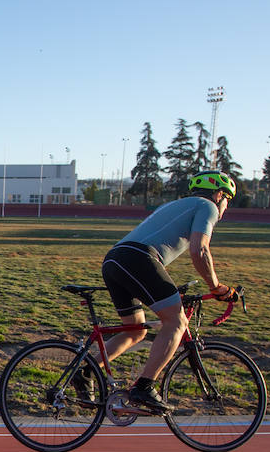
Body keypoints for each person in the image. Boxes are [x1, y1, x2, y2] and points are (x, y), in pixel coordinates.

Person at [98, 170, 240, 413]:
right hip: (139, 259)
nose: (226, 206)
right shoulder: (208, 207)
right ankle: (144, 386)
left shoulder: (178, 204)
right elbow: (200, 251)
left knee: (134, 330)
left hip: (114, 259)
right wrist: (216, 287)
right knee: (176, 321)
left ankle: (86, 371)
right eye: (227, 199)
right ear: (219, 195)